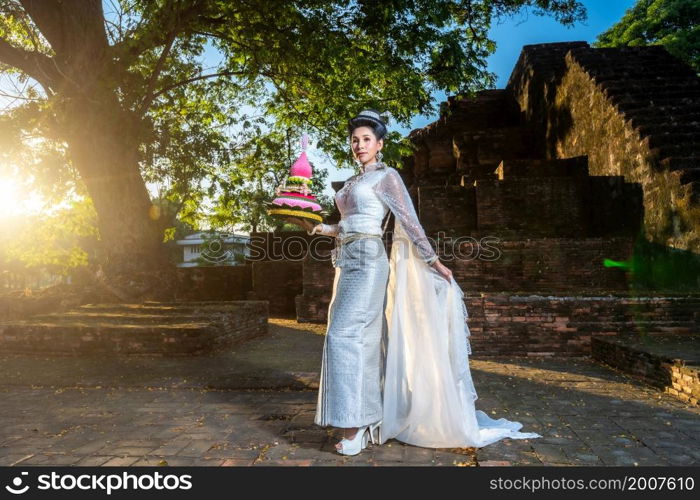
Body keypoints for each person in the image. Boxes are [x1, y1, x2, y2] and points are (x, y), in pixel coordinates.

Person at [286, 109, 541, 456]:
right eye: (354, 140)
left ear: (379, 144)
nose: (359, 145)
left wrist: (434, 261)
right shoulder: (351, 183)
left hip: (369, 263)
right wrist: (320, 227)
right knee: (354, 337)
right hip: (345, 262)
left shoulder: (387, 176)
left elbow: (410, 221)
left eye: (366, 139)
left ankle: (356, 424)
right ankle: (365, 418)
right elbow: (348, 223)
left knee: (346, 337)